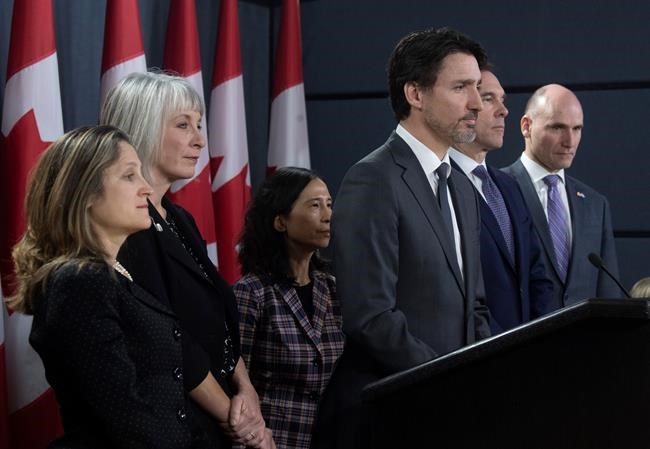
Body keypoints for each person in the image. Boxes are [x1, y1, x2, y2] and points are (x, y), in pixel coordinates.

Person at [328, 27, 491, 448]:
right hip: (389, 416)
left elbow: (475, 305)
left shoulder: (464, 188)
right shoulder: (372, 179)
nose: (477, 103)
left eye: (477, 87)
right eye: (461, 87)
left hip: (452, 414)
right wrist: (444, 378)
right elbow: (370, 316)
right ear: (415, 94)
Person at [8, 125, 213, 448]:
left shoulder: (110, 275)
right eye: (129, 176)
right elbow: (127, 418)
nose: (146, 188)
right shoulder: (80, 282)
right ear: (85, 192)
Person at [100, 72, 273, 449]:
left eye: (199, 124)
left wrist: (246, 389)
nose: (199, 139)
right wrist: (241, 423)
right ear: (140, 127)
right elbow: (170, 342)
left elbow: (217, 322)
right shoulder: (129, 227)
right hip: (178, 427)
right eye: (183, 125)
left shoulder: (180, 219)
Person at [233, 167, 345, 449]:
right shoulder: (252, 292)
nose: (328, 215)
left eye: (329, 204)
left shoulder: (332, 288)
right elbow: (234, 384)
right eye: (315, 205)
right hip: (270, 441)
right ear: (281, 221)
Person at [449, 70, 554, 333]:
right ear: (465, 107)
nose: (504, 110)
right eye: (489, 98)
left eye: (502, 99)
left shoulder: (509, 186)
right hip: (478, 355)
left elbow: (537, 275)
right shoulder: (441, 183)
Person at [503, 84, 621, 308]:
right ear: (526, 126)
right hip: (522, 340)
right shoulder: (496, 190)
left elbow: (609, 295)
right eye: (558, 128)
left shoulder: (596, 205)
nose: (570, 141)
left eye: (577, 129)